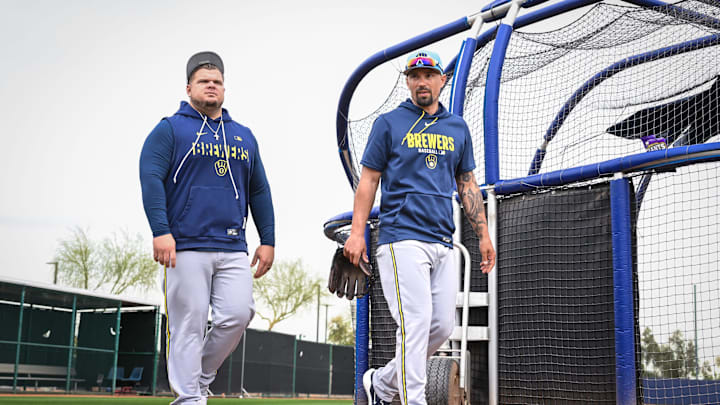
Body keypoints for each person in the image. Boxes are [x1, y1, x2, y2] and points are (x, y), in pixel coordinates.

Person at [343, 50, 495, 405]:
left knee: (440, 327)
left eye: (429, 74)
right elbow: (368, 181)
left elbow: (468, 184)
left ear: (442, 80)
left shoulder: (457, 127)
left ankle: (380, 384)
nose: (422, 81)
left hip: (444, 239)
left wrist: (484, 234)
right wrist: (356, 232)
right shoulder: (389, 123)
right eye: (414, 75)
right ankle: (414, 399)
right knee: (415, 322)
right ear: (408, 82)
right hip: (401, 238)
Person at [139, 51, 275, 405]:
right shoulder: (169, 129)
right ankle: (189, 399)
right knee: (190, 323)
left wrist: (268, 239)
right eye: (203, 81)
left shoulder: (243, 135)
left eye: (216, 81)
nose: (211, 86)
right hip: (183, 244)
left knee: (239, 313)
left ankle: (199, 375)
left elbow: (259, 189)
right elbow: (150, 178)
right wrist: (160, 230)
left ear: (224, 88)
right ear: (189, 88)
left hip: (233, 246)